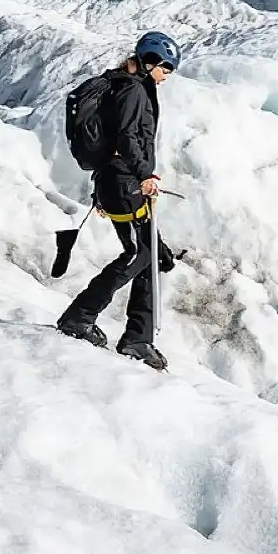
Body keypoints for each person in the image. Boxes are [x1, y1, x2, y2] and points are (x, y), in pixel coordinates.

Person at [56, 32, 180, 370]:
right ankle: (80, 317)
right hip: (126, 183)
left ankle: (138, 338)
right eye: (166, 68)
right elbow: (127, 137)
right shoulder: (134, 90)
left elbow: (113, 137)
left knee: (152, 255)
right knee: (139, 253)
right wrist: (144, 175)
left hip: (116, 182)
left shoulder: (121, 84)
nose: (166, 75)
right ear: (151, 61)